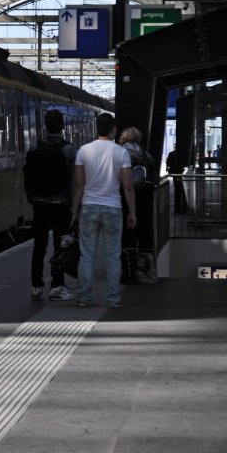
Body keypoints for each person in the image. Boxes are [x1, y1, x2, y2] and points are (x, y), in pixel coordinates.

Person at [71, 113, 136, 308]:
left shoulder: (83, 151)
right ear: (113, 129)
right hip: (113, 208)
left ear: (96, 128)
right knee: (113, 255)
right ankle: (113, 299)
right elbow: (128, 186)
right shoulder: (121, 153)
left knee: (87, 254)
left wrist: (75, 210)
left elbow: (79, 184)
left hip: (89, 207)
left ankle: (84, 297)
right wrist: (132, 211)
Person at [22, 109, 77, 301]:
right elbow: (73, 180)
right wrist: (74, 205)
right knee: (60, 246)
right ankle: (57, 286)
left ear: (45, 125)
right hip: (61, 203)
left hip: (39, 203)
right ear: (62, 126)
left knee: (39, 245)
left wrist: (31, 197)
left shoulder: (34, 149)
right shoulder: (69, 150)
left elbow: (28, 176)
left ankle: (36, 285)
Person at [117, 126, 155, 282]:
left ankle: (128, 272)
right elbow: (153, 179)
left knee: (128, 237)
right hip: (145, 201)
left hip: (126, 200)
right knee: (145, 236)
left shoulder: (120, 154)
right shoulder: (147, 156)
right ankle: (146, 272)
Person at [165, 145, 187, 214]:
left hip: (175, 174)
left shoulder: (171, 154)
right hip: (182, 174)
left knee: (177, 191)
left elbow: (168, 163)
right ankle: (184, 209)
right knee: (183, 191)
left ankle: (177, 209)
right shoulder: (183, 155)